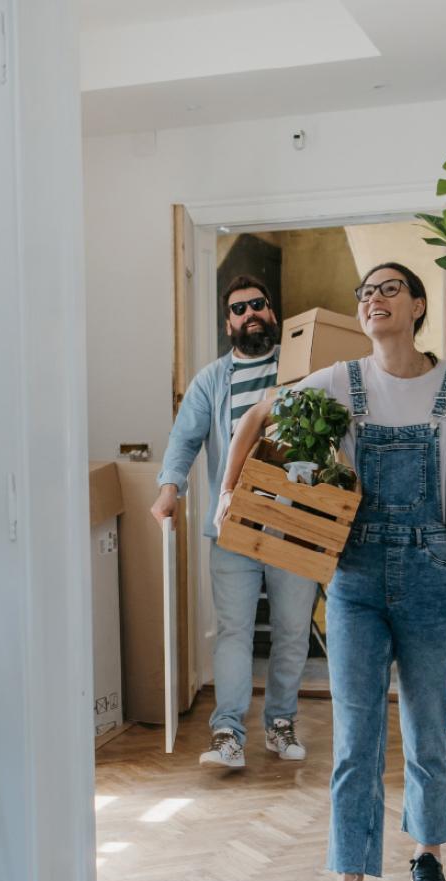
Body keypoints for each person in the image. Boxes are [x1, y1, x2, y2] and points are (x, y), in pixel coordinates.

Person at [219, 263, 446, 881]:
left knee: (427, 729)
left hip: (434, 575)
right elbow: (256, 415)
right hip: (356, 578)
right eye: (366, 292)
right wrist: (227, 492)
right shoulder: (340, 381)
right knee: (356, 738)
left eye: (389, 288)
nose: (374, 298)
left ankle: (428, 855)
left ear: (418, 305)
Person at [152, 276, 316, 768]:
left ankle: (280, 723)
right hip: (233, 527)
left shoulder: (301, 369)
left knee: (292, 631)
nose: (250, 314)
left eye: (258, 305)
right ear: (228, 324)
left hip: (295, 525)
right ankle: (227, 732)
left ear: (273, 312)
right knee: (234, 632)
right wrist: (169, 490)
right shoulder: (210, 381)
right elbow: (184, 440)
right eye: (239, 309)